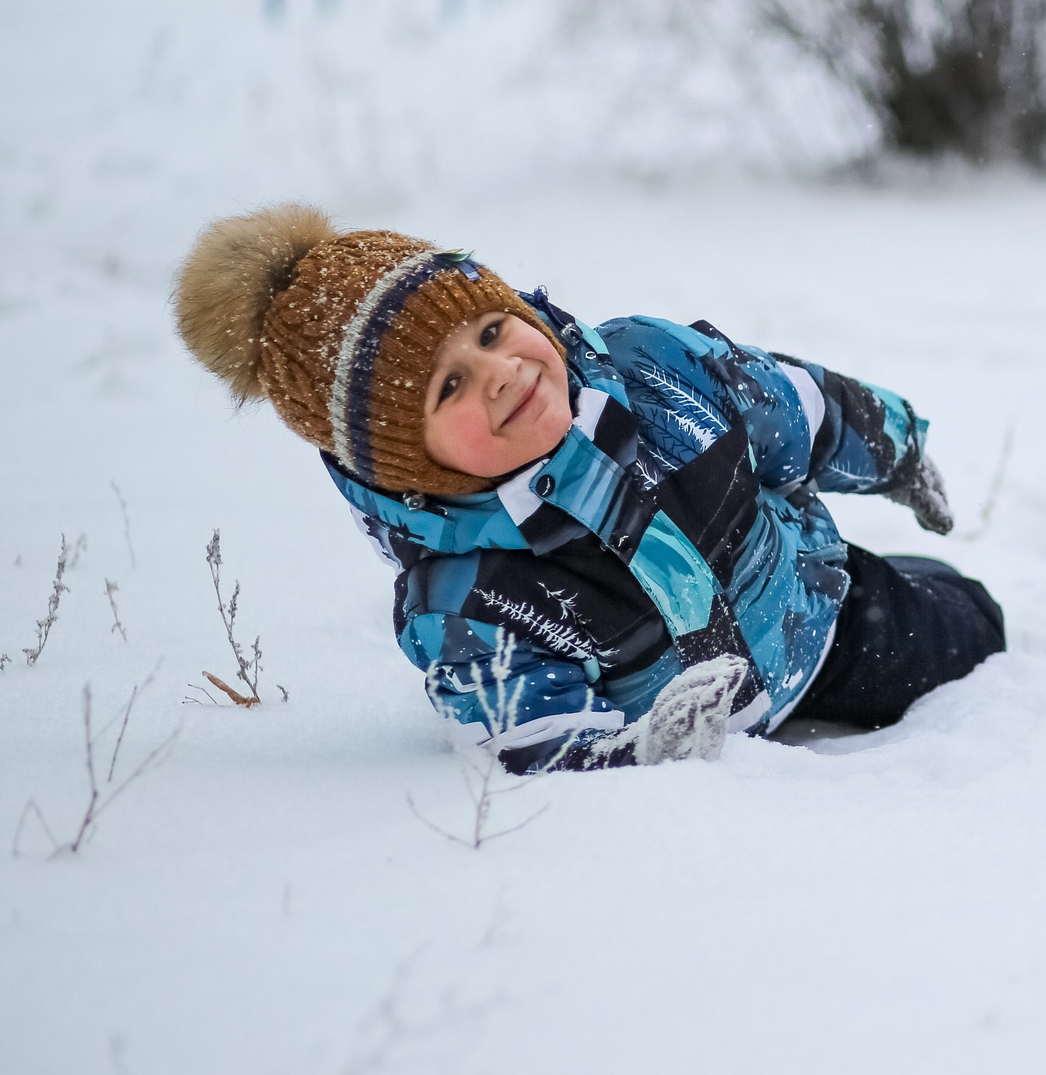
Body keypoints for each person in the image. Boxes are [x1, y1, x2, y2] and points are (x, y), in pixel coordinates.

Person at [172, 207, 1004, 773]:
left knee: (977, 625)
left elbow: (796, 408)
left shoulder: (652, 366)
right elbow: (531, 737)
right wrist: (641, 750)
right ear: (405, 461)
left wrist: (896, 447)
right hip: (703, 733)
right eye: (448, 387)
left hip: (819, 613)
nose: (500, 374)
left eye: (493, 331)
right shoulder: (462, 597)